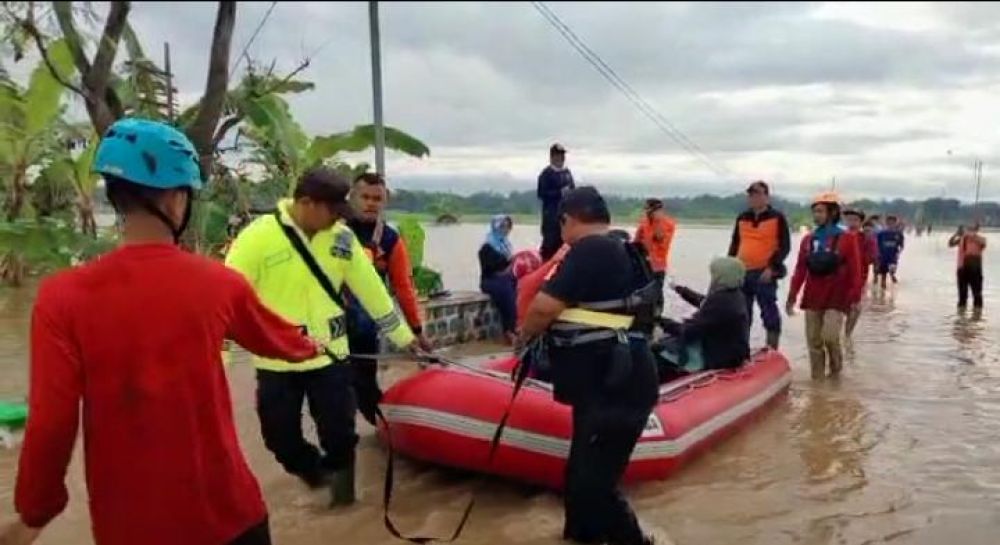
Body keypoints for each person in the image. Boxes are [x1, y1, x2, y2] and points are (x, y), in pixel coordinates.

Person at [3, 119, 321, 545]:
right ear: (176, 199)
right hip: (232, 518)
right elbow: (279, 341)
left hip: (132, 529)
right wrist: (312, 345)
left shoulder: (61, 297)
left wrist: (35, 514)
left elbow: (50, 424)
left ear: (115, 197)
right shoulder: (219, 283)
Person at [225, 167, 417, 506]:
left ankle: (343, 504)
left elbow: (374, 293)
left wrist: (405, 338)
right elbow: (226, 298)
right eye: (331, 211)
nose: (336, 220)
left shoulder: (342, 239)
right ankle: (315, 474)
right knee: (279, 439)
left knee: (340, 434)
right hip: (277, 361)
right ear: (306, 203)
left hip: (331, 357)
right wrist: (218, 350)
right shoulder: (257, 237)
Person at [519, 186, 659, 545]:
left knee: (593, 484)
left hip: (615, 383)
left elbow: (542, 309)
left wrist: (522, 340)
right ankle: (579, 536)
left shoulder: (591, 249)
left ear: (567, 219)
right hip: (613, 381)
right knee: (580, 474)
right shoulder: (623, 247)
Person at [346, 172, 432, 426]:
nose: (371, 203)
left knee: (365, 383)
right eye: (365, 197)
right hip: (326, 322)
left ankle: (386, 429)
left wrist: (416, 330)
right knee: (331, 387)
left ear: (385, 202)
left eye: (377, 199)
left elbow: (404, 287)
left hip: (363, 326)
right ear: (352, 197)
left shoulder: (390, 240)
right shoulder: (333, 230)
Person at [786, 192, 862, 380]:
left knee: (830, 337)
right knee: (813, 341)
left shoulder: (847, 238)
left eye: (820, 211)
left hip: (837, 297)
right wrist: (792, 296)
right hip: (812, 296)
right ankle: (817, 381)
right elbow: (800, 270)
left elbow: (856, 270)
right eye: (815, 212)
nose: (816, 216)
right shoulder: (808, 240)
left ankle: (836, 372)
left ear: (832, 212)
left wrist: (855, 298)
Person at [656, 257, 750, 376]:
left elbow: (689, 331)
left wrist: (661, 321)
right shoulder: (735, 295)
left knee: (657, 354)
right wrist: (681, 290)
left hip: (719, 357)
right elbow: (704, 303)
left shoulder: (721, 301)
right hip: (732, 351)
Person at [728, 180, 791, 349]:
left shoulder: (777, 217)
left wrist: (772, 267)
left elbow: (785, 246)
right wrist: (730, 268)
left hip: (764, 273)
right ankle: (741, 350)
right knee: (741, 313)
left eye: (757, 194)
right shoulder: (742, 217)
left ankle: (772, 348)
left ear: (766, 197)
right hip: (741, 272)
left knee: (768, 310)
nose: (753, 197)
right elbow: (735, 244)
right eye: (751, 194)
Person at [479, 214, 518, 344]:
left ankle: (517, 327)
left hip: (505, 279)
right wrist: (508, 265)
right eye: (502, 226)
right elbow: (491, 268)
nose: (506, 229)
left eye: (508, 227)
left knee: (519, 286)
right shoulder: (487, 247)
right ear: (495, 227)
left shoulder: (506, 245)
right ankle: (509, 330)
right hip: (490, 280)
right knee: (506, 292)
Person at [537, 142, 575, 261]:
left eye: (563, 155)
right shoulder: (546, 174)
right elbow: (541, 194)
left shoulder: (567, 173)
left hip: (565, 216)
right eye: (558, 155)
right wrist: (559, 193)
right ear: (552, 157)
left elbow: (573, 189)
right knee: (550, 246)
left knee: (565, 245)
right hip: (551, 217)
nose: (561, 158)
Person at [842, 209, 876, 337]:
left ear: (861, 223)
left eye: (855, 220)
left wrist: (868, 242)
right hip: (840, 280)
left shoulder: (866, 238)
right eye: (849, 219)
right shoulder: (840, 236)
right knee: (841, 308)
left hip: (859, 279)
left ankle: (847, 335)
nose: (852, 223)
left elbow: (872, 258)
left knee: (856, 309)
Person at [635, 198, 677, 289]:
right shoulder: (644, 221)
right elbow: (636, 241)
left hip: (658, 266)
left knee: (656, 294)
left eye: (649, 211)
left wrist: (658, 221)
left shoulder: (668, 223)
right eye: (646, 210)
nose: (647, 213)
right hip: (643, 263)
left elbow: (659, 238)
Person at [949, 223, 987, 309]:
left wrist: (968, 234)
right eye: (968, 229)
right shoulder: (961, 239)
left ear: (976, 230)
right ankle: (962, 317)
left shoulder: (980, 239)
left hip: (975, 268)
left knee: (977, 294)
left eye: (971, 229)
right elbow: (950, 244)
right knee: (962, 296)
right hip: (962, 269)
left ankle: (977, 317)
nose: (969, 231)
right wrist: (955, 234)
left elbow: (983, 243)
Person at [875, 215, 905, 288]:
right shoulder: (881, 233)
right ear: (886, 223)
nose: (890, 224)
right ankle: (882, 292)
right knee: (883, 275)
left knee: (892, 270)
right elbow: (876, 244)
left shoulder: (899, 234)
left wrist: (899, 252)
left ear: (895, 223)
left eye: (892, 223)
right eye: (889, 222)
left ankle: (892, 275)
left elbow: (902, 245)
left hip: (893, 256)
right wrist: (877, 254)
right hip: (883, 256)